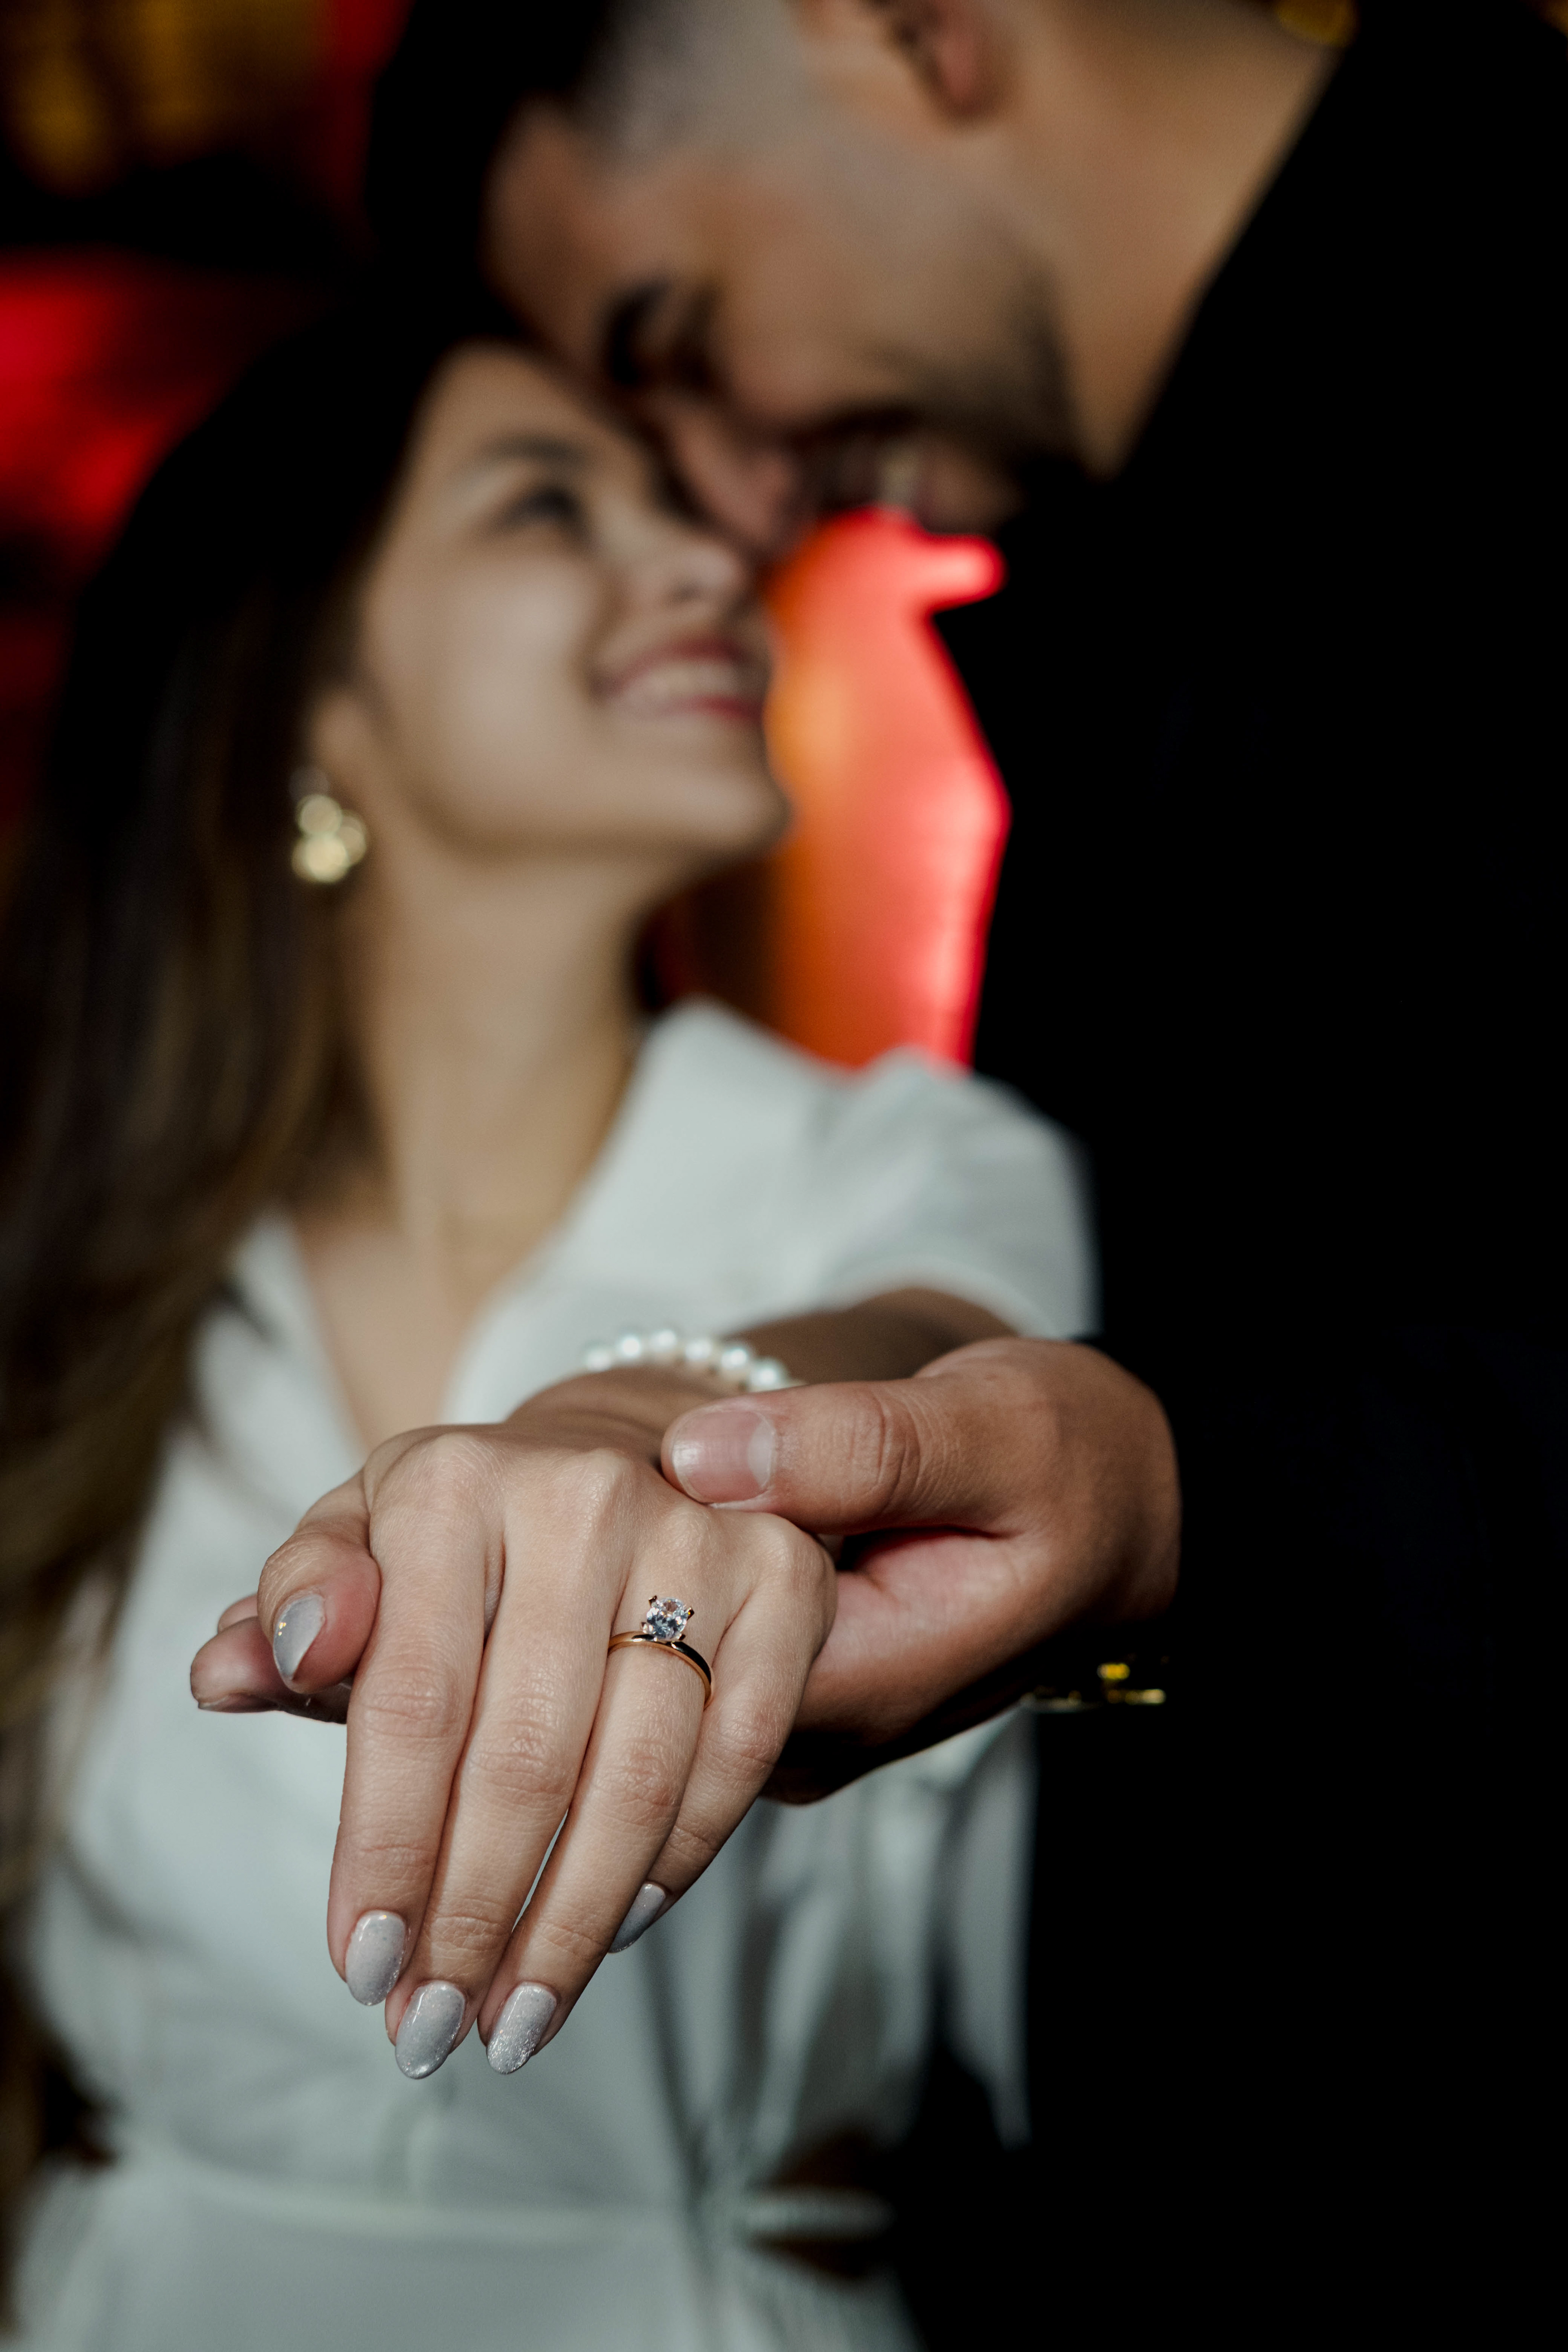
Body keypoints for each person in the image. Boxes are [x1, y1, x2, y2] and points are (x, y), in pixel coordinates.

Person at [286, 0, 1561, 2299]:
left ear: (901, 26)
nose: (738, 504)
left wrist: (1161, 1500)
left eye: (680, 339)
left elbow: (1009, 1319)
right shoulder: (1131, 606)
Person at [0, 278, 1101, 2348]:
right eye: (547, 507)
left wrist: (648, 1420)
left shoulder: (911, 1159)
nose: (705, 564)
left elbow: (938, 1362)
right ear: (318, 699)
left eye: (680, 509)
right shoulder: (82, 1273)